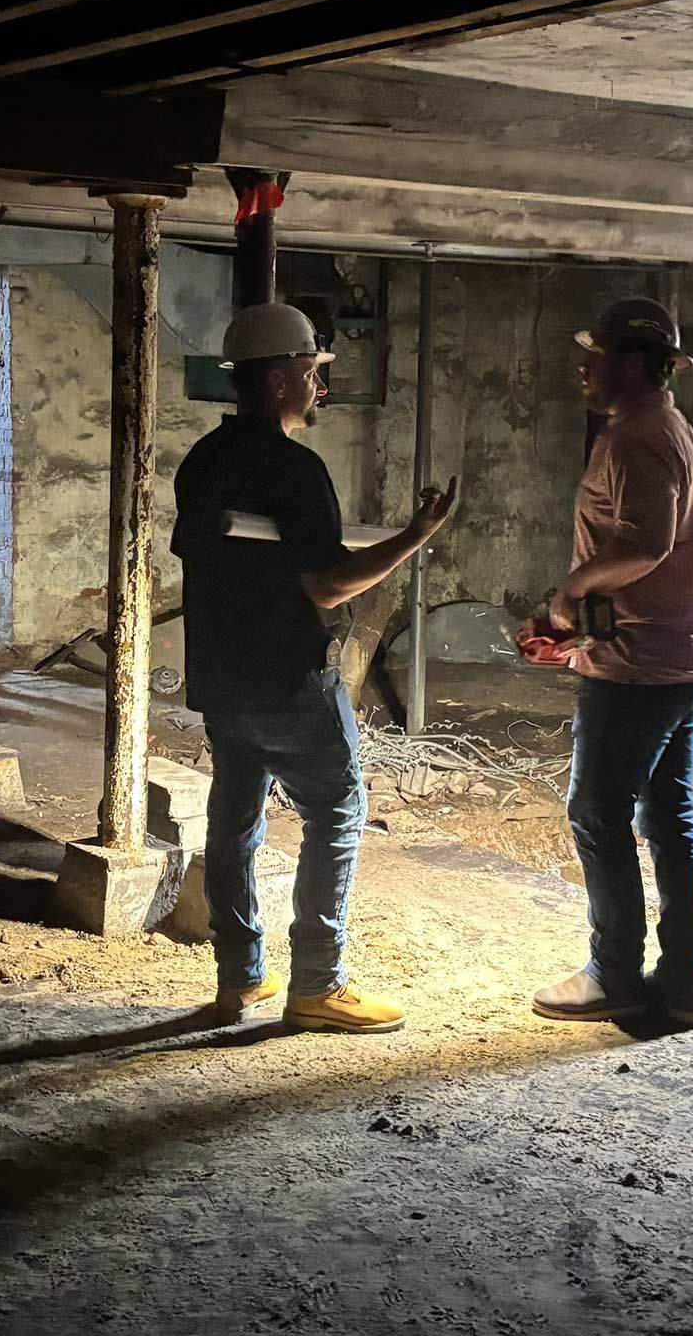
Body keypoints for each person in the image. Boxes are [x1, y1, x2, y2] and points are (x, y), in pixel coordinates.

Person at [171, 301, 458, 1029]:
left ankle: (240, 978)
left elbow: (215, 557)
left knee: (235, 820)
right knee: (337, 810)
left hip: (222, 679)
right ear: (275, 381)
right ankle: (318, 985)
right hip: (289, 678)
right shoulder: (297, 471)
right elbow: (327, 584)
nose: (320, 387)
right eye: (310, 372)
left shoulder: (203, 461)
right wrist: (414, 536)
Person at [532, 297, 693, 1028]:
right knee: (669, 814)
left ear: (638, 363)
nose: (587, 365)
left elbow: (645, 543)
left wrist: (570, 592)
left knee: (597, 811)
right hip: (680, 652)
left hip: (643, 662)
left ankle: (615, 971)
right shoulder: (671, 431)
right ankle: (681, 984)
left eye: (602, 352)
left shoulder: (636, 437)